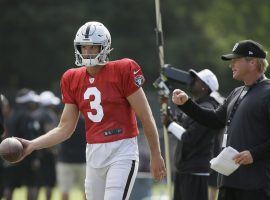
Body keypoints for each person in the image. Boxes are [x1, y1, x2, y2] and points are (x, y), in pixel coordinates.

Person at [17, 21, 166, 200]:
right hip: (94, 151)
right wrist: (32, 144)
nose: (87, 52)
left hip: (122, 149)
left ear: (104, 47)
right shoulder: (72, 78)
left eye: (92, 47)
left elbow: (146, 116)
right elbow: (64, 128)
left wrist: (155, 154)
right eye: (83, 47)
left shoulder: (123, 69)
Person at [171, 39, 270, 200]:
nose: (231, 65)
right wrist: (187, 104)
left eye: (236, 60)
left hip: (256, 185)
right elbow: (214, 120)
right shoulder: (236, 92)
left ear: (252, 62)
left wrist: (254, 154)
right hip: (228, 182)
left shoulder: (268, 92)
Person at [162, 69, 223, 200]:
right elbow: (181, 124)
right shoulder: (194, 106)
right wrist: (170, 118)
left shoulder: (207, 108)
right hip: (185, 170)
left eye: (196, 80)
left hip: (196, 173)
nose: (192, 81)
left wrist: (170, 125)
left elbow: (191, 138)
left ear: (204, 87)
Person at [56, 114, 86, 200]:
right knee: (86, 192)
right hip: (82, 160)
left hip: (65, 160)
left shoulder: (63, 122)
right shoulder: (85, 122)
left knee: (64, 191)